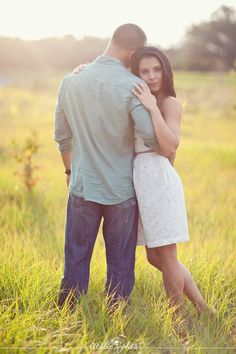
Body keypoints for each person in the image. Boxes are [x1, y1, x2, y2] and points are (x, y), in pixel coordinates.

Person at [54, 25, 167, 309]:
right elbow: (153, 140)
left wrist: (70, 172)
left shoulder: (71, 80)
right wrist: (153, 107)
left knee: (76, 258)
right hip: (121, 191)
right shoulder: (132, 86)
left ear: (111, 41)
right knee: (120, 262)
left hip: (82, 186)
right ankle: (115, 315)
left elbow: (62, 137)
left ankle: (69, 313)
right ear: (132, 53)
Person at [130, 46, 213, 316]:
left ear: (165, 71)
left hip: (157, 179)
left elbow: (170, 146)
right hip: (141, 179)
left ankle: (178, 320)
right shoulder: (138, 95)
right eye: (145, 71)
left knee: (167, 256)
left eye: (157, 69)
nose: (152, 76)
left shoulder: (167, 102)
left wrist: (152, 108)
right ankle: (204, 309)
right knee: (155, 256)